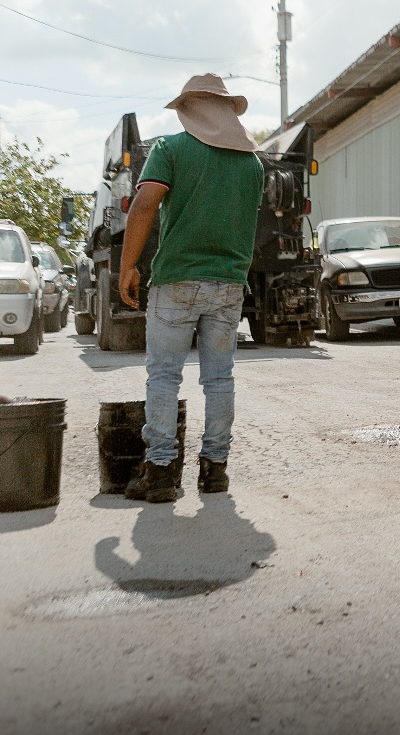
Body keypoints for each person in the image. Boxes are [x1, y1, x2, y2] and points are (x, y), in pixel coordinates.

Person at [119, 74, 264, 502]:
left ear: (190, 109)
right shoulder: (252, 164)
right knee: (219, 379)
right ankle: (215, 471)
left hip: (177, 280)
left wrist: (128, 265)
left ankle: (161, 473)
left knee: (164, 376)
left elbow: (145, 202)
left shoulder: (170, 149)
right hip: (229, 285)